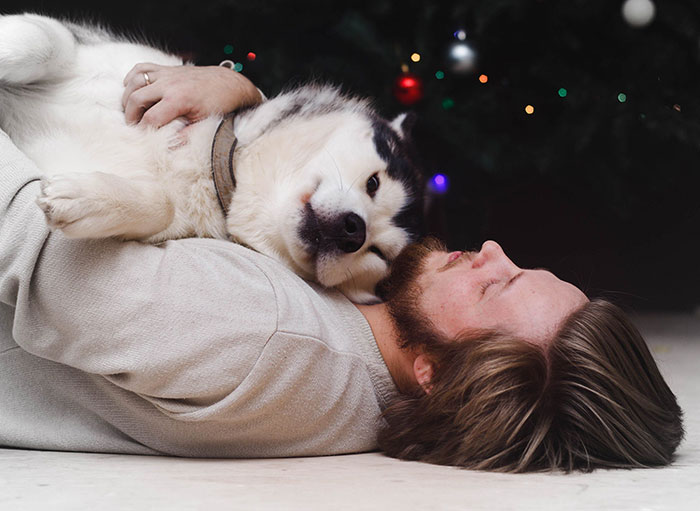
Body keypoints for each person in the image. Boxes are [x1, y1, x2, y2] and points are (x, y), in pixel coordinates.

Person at [0, 65, 683, 472]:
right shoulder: (360, 342)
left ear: (439, 373)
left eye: (497, 283)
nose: (493, 251)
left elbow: (24, 236)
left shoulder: (266, 334)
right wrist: (242, 99)